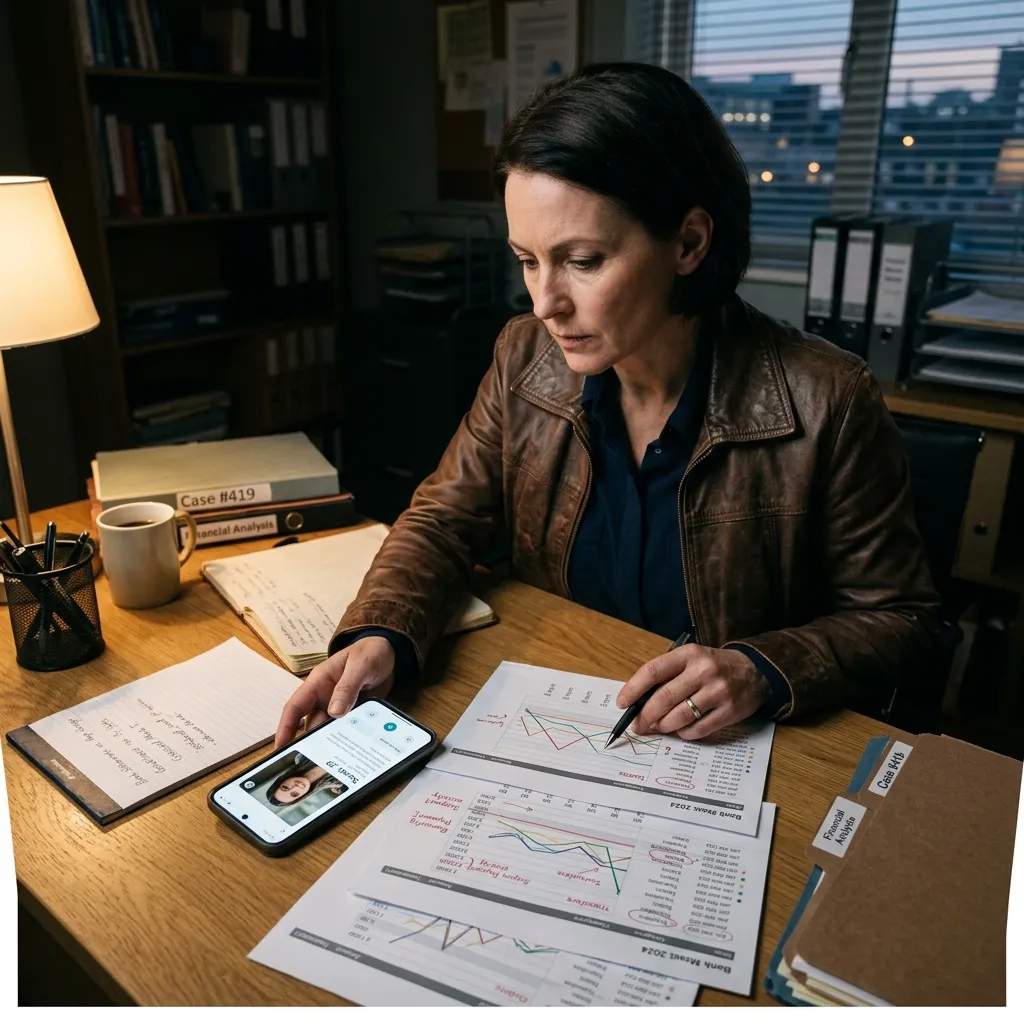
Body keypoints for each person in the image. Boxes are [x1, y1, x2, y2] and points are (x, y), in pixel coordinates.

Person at [275, 62, 940, 751]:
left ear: (688, 243)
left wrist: (761, 669)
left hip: (721, 753)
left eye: (583, 261)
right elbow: (443, 519)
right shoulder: (523, 356)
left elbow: (903, 620)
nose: (545, 303)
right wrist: (385, 629)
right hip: (553, 714)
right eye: (528, 260)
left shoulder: (828, 398)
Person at [264, 753, 346, 807]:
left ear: (282, 780)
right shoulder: (339, 784)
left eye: (285, 787)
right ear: (302, 796)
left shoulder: (302, 757)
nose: (296, 786)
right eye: (294, 794)